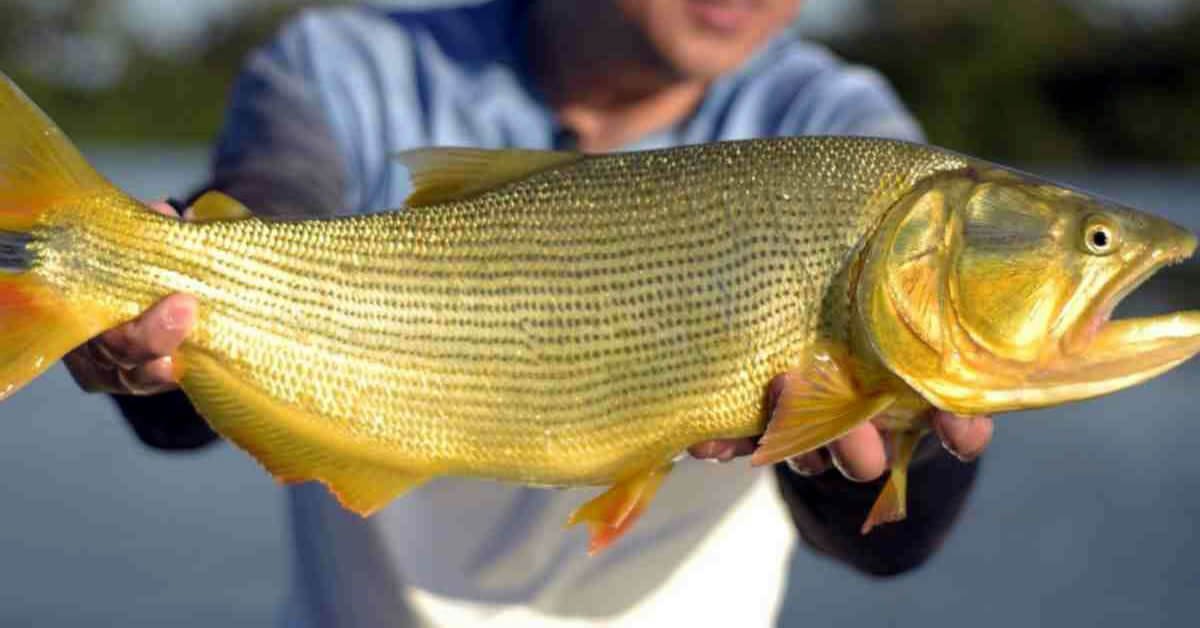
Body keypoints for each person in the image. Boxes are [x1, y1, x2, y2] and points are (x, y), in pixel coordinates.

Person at [64, 1, 994, 625]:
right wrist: (156, 322)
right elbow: (266, 214)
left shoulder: (836, 124)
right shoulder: (343, 64)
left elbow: (891, 544)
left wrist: (865, 464)